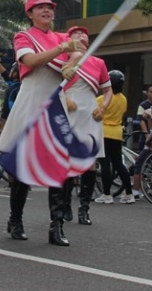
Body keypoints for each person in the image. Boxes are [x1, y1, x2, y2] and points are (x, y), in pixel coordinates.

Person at [0, 0, 85, 245]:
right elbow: (31, 61)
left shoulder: (62, 37)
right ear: (30, 13)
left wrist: (74, 61)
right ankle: (15, 219)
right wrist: (63, 49)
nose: (46, 10)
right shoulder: (24, 36)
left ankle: (56, 226)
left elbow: (80, 49)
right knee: (23, 166)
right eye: (39, 7)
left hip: (56, 101)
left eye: (49, 7)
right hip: (32, 99)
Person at [60, 26, 112, 224]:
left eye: (84, 34)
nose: (82, 35)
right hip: (69, 110)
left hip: (90, 111)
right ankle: (64, 205)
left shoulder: (98, 63)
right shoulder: (62, 60)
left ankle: (84, 208)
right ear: (69, 38)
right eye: (76, 33)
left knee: (90, 163)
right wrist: (63, 99)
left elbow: (107, 91)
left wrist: (103, 107)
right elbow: (51, 85)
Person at [94, 70, 133, 205]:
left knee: (105, 164)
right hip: (117, 132)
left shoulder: (102, 99)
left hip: (103, 132)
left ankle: (106, 194)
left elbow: (93, 113)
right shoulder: (123, 99)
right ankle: (129, 193)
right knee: (118, 163)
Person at [136, 84, 152, 151]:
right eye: (151, 92)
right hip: (147, 135)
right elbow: (141, 120)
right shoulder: (143, 105)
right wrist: (147, 135)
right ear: (147, 93)